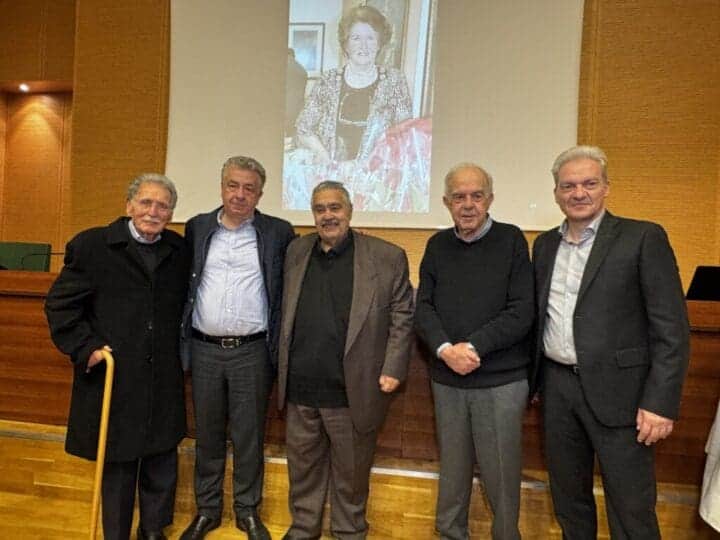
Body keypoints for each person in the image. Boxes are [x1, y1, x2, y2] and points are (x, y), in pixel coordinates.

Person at [533, 145, 690, 538]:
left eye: (589, 183)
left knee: (631, 509)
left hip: (624, 396)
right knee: (569, 501)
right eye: (568, 186)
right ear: (556, 193)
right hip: (558, 389)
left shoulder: (642, 238)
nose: (578, 193)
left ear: (606, 187)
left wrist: (660, 403)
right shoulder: (544, 245)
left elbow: (671, 329)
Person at [44, 174, 190, 540]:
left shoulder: (178, 250)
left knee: (161, 458)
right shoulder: (93, 246)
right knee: (119, 464)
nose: (153, 212)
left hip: (161, 376)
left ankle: (153, 530)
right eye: (146, 202)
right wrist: (85, 346)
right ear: (129, 206)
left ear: (171, 213)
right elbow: (60, 305)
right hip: (117, 375)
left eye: (163, 206)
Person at [277, 181, 414, 539]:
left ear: (350, 211)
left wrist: (393, 367)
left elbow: (402, 315)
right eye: (320, 209)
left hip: (352, 389)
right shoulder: (296, 251)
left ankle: (349, 532)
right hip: (301, 387)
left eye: (335, 207)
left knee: (351, 474)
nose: (328, 215)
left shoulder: (386, 256)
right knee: (302, 469)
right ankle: (303, 528)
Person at [179, 156, 295, 540]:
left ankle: (247, 511)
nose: (240, 195)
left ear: (260, 194)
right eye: (233, 185)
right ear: (221, 187)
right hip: (204, 349)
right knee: (208, 435)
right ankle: (207, 510)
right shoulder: (197, 227)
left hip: (252, 352)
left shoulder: (278, 232)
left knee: (249, 436)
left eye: (249, 188)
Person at [415, 164, 534, 540]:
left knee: (501, 472)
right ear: (446, 202)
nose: (468, 204)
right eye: (459, 197)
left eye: (476, 195)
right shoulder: (437, 246)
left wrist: (473, 347)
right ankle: (450, 533)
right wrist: (445, 350)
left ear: (490, 199)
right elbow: (423, 308)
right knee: (453, 469)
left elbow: (521, 311)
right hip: (447, 377)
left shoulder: (512, 240)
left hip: (500, 381)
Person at [284, 5, 430, 212]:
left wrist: (371, 166)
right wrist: (329, 162)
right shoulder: (328, 80)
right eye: (356, 38)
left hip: (377, 187)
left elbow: (404, 135)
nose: (364, 45)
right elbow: (304, 128)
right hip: (332, 181)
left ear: (379, 43)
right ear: (345, 43)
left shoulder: (394, 81)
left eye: (370, 38)